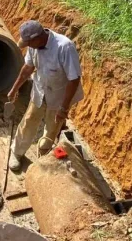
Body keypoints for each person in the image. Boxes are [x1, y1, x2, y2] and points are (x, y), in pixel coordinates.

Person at [6, 20, 84, 172]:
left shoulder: (64, 47)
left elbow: (74, 79)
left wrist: (64, 107)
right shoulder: (34, 46)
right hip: (40, 92)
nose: (28, 46)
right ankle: (16, 152)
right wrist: (14, 89)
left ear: (37, 38)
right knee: (28, 121)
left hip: (59, 97)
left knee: (51, 130)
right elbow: (28, 68)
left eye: (29, 43)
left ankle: (44, 159)